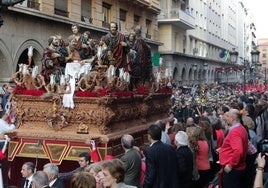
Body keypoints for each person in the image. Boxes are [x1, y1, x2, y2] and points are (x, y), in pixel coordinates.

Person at [219, 109, 248, 188]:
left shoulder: (235, 131)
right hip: (237, 168)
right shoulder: (241, 128)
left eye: (228, 116)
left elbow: (238, 151)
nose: (226, 118)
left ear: (233, 118)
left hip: (233, 170)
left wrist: (231, 165)